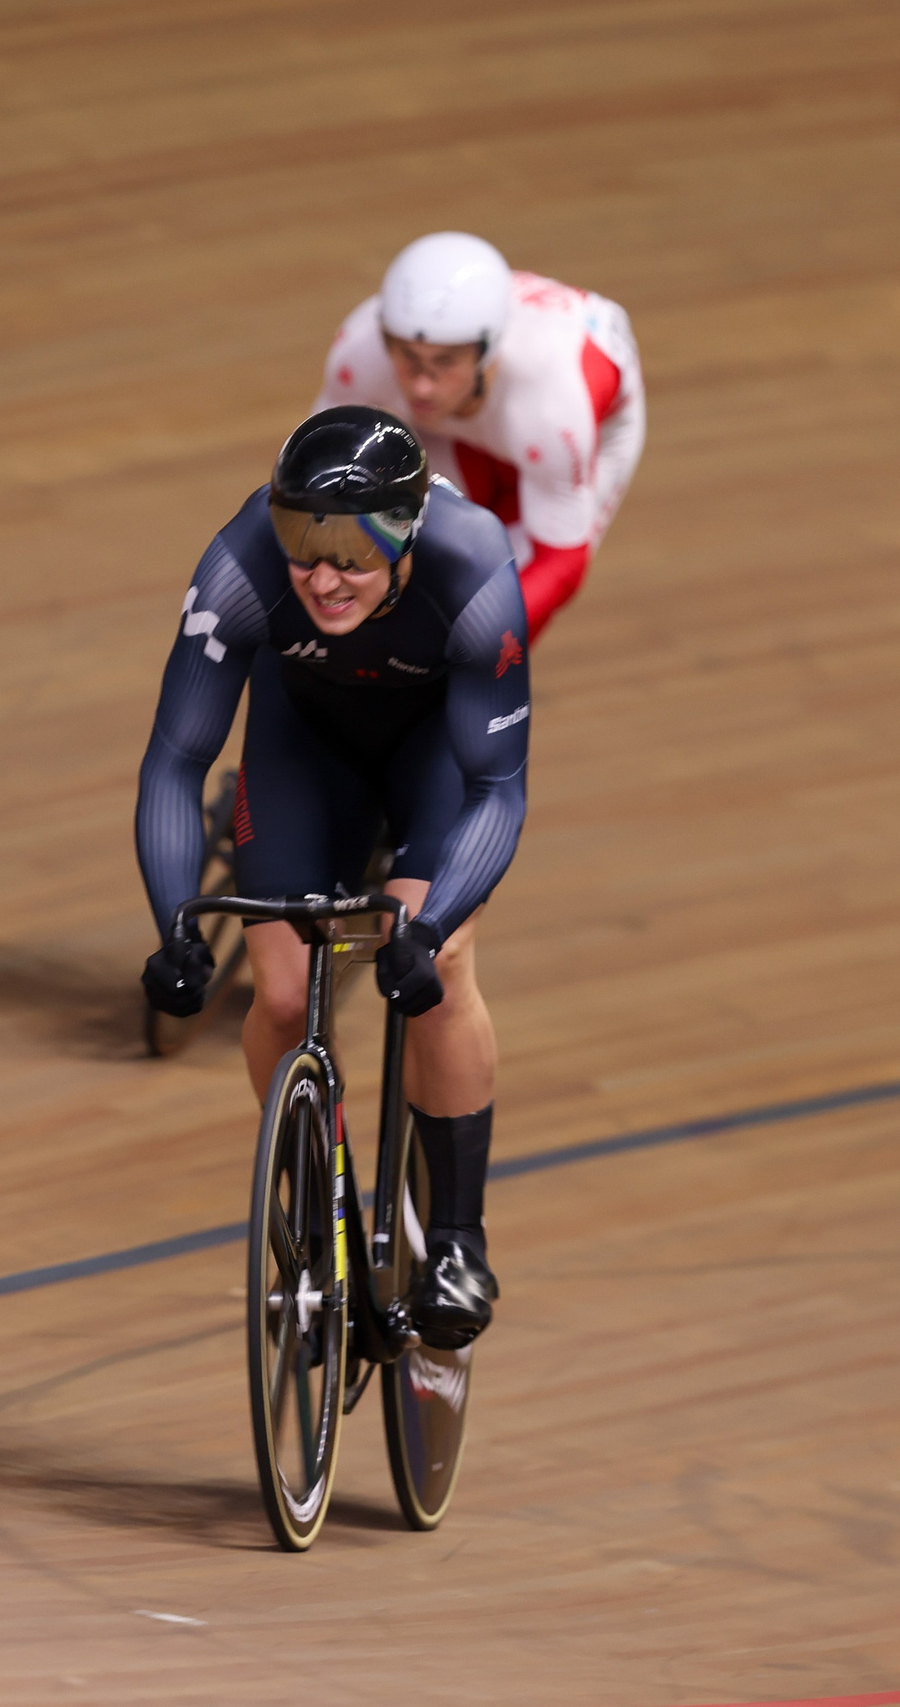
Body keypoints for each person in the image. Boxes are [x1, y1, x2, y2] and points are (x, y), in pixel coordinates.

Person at [135, 406, 530, 1348]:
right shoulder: (238, 565)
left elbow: (497, 789)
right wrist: (175, 929)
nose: (321, 574)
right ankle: (328, 1225)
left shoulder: (473, 568)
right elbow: (176, 760)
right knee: (276, 997)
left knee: (438, 975)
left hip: (434, 756)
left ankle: (458, 1242)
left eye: (353, 554)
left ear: (406, 539)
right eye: (302, 543)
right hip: (305, 749)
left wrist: (429, 931)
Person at [313, 232, 645, 641]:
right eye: (407, 358)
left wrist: (469, 648)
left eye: (445, 363)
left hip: (557, 435)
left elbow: (561, 565)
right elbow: (318, 487)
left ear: (488, 354)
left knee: (489, 603)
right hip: (465, 425)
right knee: (416, 557)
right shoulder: (360, 352)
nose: (421, 387)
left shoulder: (553, 401)